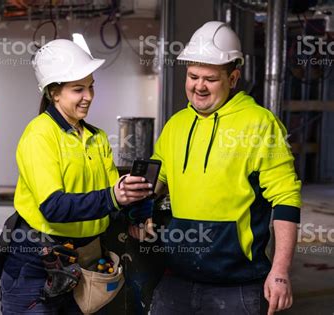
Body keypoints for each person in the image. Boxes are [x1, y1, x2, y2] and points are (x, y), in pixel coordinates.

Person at [129, 21, 301, 315]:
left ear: (233, 78)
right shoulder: (176, 125)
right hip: (176, 279)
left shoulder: (259, 124)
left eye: (210, 78)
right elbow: (157, 183)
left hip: (237, 287)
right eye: (193, 76)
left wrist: (280, 271)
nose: (199, 86)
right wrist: (136, 207)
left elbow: (286, 200)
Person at [0, 39, 153, 314]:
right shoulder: (40, 135)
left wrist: (134, 206)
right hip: (37, 264)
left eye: (91, 86)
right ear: (54, 93)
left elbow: (110, 200)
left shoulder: (97, 138)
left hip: (86, 261)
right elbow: (53, 207)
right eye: (78, 89)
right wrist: (112, 197)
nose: (89, 96)